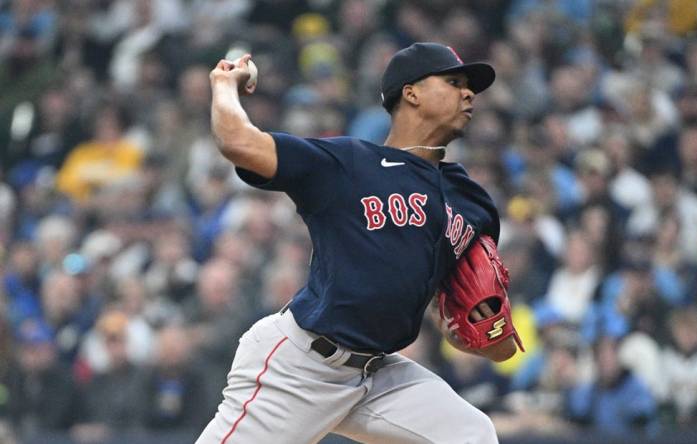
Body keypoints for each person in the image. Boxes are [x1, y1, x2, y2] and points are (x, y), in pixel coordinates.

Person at [197, 42, 518, 443]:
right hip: (301, 366)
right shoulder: (347, 164)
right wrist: (224, 85)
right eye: (453, 81)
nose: (468, 92)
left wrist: (485, 333)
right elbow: (238, 142)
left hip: (378, 375)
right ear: (411, 92)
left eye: (469, 86)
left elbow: (470, 324)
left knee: (471, 434)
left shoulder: (471, 201)